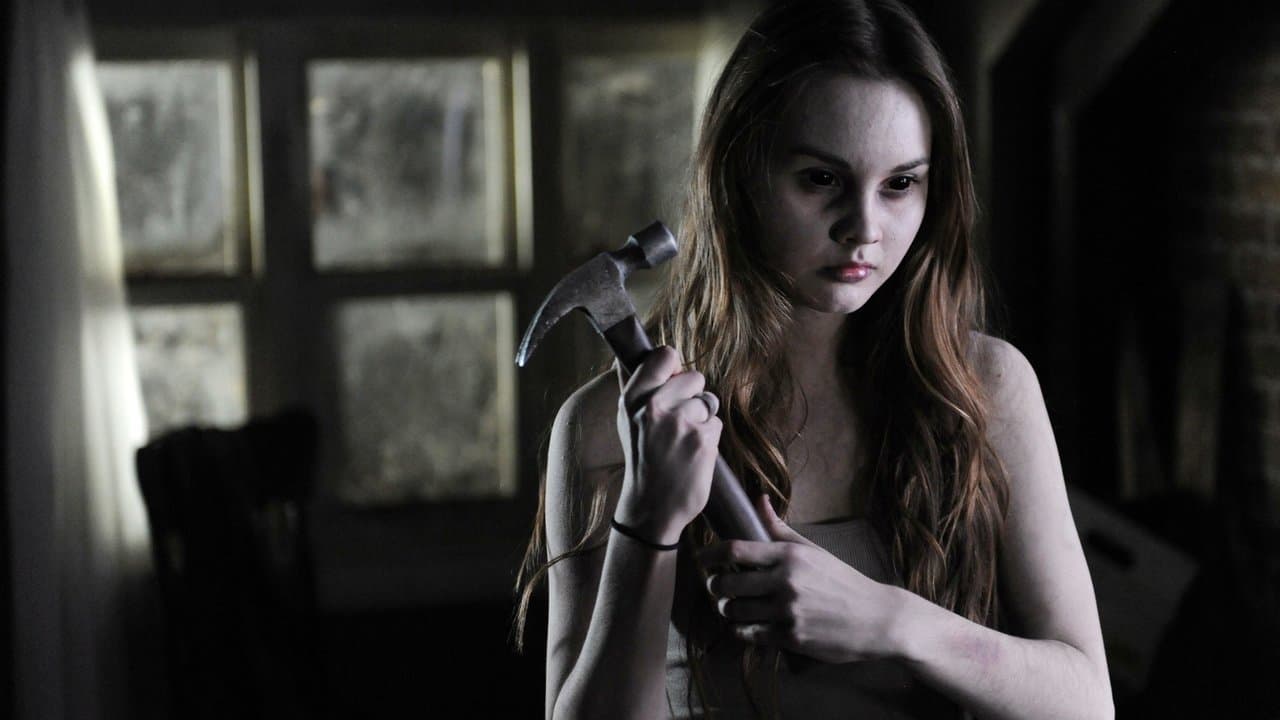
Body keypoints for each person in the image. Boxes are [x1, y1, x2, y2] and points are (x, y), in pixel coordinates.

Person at [513, 0, 1113, 717]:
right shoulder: (603, 431)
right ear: (739, 172)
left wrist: (889, 621)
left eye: (900, 184)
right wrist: (647, 520)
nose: (864, 228)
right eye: (821, 179)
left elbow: (1087, 701)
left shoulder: (985, 389)